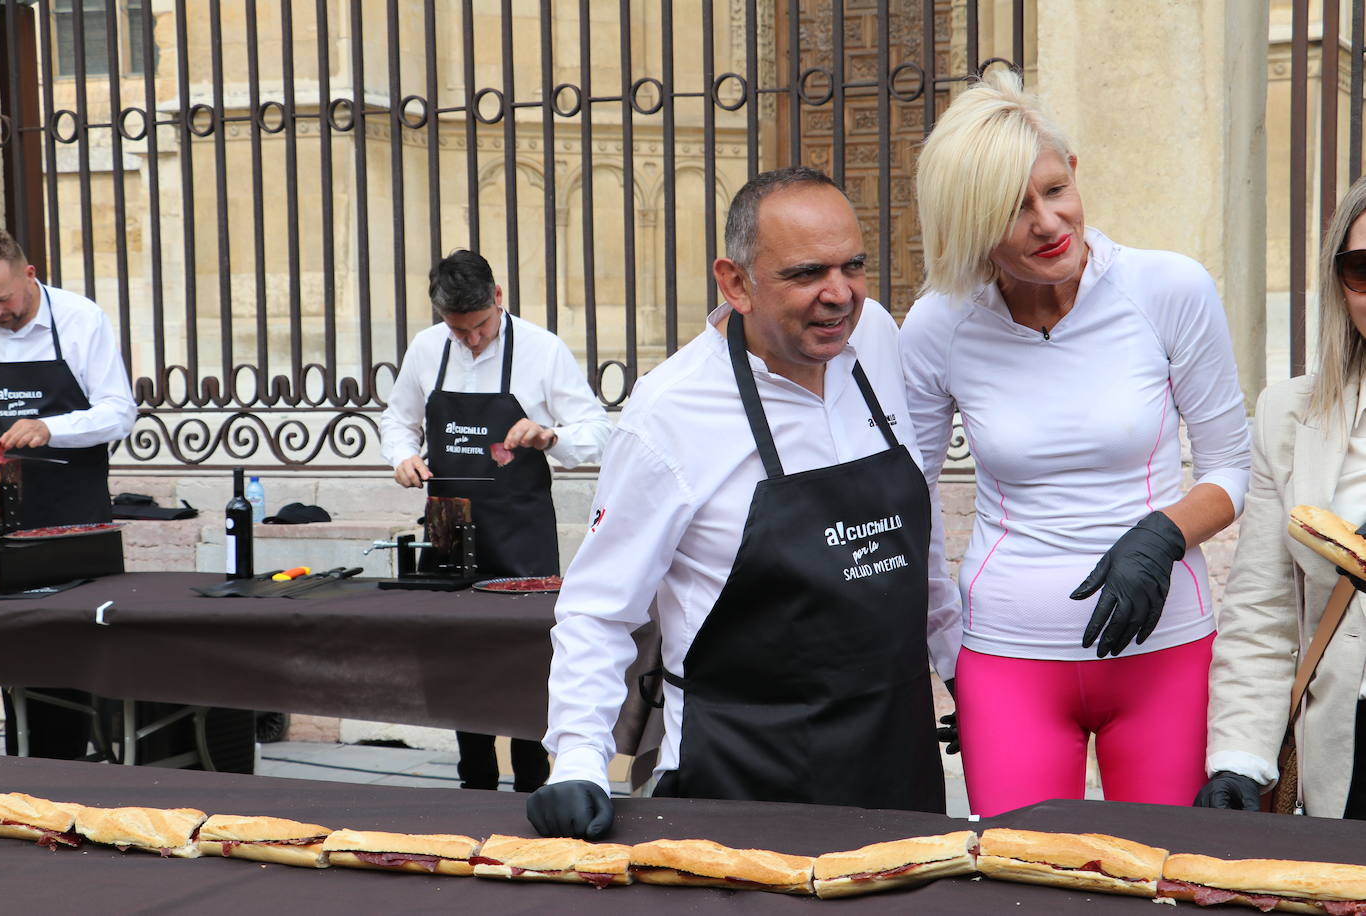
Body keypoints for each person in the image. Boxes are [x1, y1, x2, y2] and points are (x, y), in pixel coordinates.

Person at [527, 167, 962, 840]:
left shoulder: (873, 337)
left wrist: (960, 667)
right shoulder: (670, 412)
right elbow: (598, 606)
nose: (839, 294)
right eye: (806, 273)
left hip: (896, 761)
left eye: (854, 266)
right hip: (745, 776)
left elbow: (916, 537)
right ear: (734, 282)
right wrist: (579, 758)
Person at [900, 69, 1251, 817]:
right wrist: (947, 652)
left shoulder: (1169, 290)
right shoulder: (939, 325)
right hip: (1006, 657)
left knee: (1170, 874)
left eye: (1054, 190)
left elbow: (1229, 468)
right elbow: (911, 502)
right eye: (1012, 209)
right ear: (969, 226)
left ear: (1075, 173)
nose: (1047, 222)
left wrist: (1163, 535)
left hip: (1166, 650)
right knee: (1023, 884)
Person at [379, 249, 611, 793]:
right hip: (448, 527)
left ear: (498, 299)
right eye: (459, 331)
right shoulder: (426, 349)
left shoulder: (542, 349)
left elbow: (596, 431)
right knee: (459, 656)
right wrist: (402, 458)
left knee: (529, 658)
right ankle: (474, 777)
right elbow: (398, 420)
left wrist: (552, 437)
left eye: (480, 326)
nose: (473, 340)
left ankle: (533, 776)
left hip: (522, 529)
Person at [1197, 176, 1366, 819]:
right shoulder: (1289, 416)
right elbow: (1263, 613)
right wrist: (1238, 759)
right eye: (1362, 268)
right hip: (1344, 761)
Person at [0, 226, 137, 758]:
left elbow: (119, 411)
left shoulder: (81, 320)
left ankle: (83, 763)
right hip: (2, 518)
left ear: (29, 275)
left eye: (4, 299)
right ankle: (26, 765)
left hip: (72, 514)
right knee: (12, 649)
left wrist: (53, 427)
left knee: (75, 644)